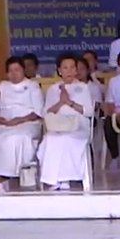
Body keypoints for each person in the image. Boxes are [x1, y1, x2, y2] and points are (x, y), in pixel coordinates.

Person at [38, 54, 95, 191]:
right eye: (65, 68)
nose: (69, 71)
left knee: (66, 139)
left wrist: (70, 102)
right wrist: (60, 102)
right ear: (59, 71)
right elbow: (46, 113)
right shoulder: (53, 89)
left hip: (78, 125)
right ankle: (54, 180)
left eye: (72, 68)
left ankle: (65, 179)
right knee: (50, 139)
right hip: (58, 125)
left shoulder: (83, 87)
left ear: (76, 70)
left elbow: (88, 111)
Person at [0, 56, 44, 192]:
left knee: (19, 137)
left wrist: (19, 120)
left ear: (23, 70)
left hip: (28, 122)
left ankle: (21, 175)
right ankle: (2, 175)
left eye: (17, 70)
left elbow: (38, 112)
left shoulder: (33, 86)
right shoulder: (2, 86)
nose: (14, 73)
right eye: (10, 70)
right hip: (5, 122)